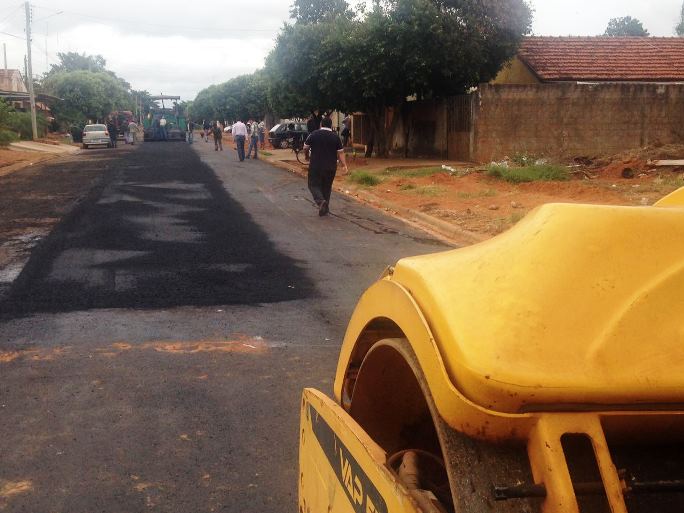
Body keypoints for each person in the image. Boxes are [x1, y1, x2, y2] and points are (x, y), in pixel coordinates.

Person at [303, 117, 348, 216]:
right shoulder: (335, 137)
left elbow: (305, 147)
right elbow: (341, 153)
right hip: (331, 167)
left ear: (321, 125)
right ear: (331, 125)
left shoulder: (314, 134)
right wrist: (344, 165)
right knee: (327, 187)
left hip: (316, 166)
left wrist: (306, 156)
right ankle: (325, 208)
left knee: (313, 185)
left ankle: (321, 202)